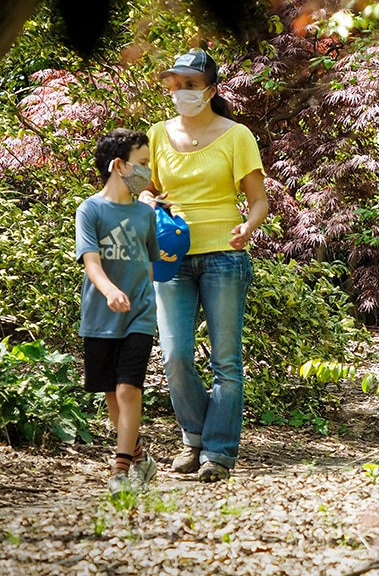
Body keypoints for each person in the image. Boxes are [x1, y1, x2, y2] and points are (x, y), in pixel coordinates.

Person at [141, 49, 269, 483]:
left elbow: (258, 201)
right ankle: (194, 435)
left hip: (224, 256)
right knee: (175, 355)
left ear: (211, 89)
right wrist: (145, 200)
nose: (180, 92)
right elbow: (144, 188)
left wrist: (247, 228)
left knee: (226, 361)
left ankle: (218, 452)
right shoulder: (157, 135)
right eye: (175, 84)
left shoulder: (237, 136)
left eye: (190, 84)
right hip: (171, 255)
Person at [77, 128, 160, 494]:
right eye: (141, 164)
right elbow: (91, 263)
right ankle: (140, 456)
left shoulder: (147, 215)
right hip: (100, 316)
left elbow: (154, 264)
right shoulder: (90, 209)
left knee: (128, 391)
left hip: (139, 314)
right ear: (118, 165)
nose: (147, 171)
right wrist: (110, 291)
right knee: (112, 396)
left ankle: (120, 472)